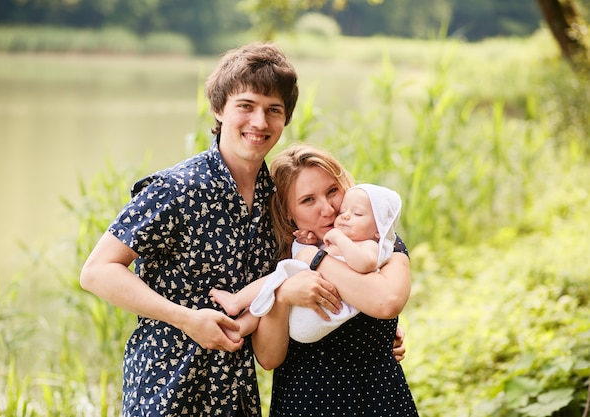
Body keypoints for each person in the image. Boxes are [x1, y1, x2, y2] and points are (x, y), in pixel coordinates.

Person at [80, 42, 303, 417]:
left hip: (235, 395)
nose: (259, 122)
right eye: (246, 106)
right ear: (219, 109)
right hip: (165, 390)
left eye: (273, 110)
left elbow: (297, 274)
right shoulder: (177, 188)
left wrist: (367, 330)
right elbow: (96, 272)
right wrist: (186, 318)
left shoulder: (277, 200)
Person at [251, 144, 419, 416]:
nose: (328, 209)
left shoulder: (381, 244)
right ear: (287, 213)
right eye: (308, 200)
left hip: (377, 397)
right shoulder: (280, 259)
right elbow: (269, 358)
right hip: (306, 400)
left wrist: (316, 259)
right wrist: (283, 295)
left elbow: (386, 301)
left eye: (332, 191)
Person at [209, 183, 402, 344]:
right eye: (344, 211)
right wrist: (306, 244)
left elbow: (364, 264)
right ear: (288, 213)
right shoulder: (330, 241)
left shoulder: (370, 245)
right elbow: (304, 260)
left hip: (320, 314)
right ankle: (240, 326)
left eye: (357, 214)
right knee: (272, 288)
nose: (343, 216)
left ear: (380, 229)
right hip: (301, 310)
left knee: (280, 275)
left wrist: (337, 238)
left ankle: (236, 301)